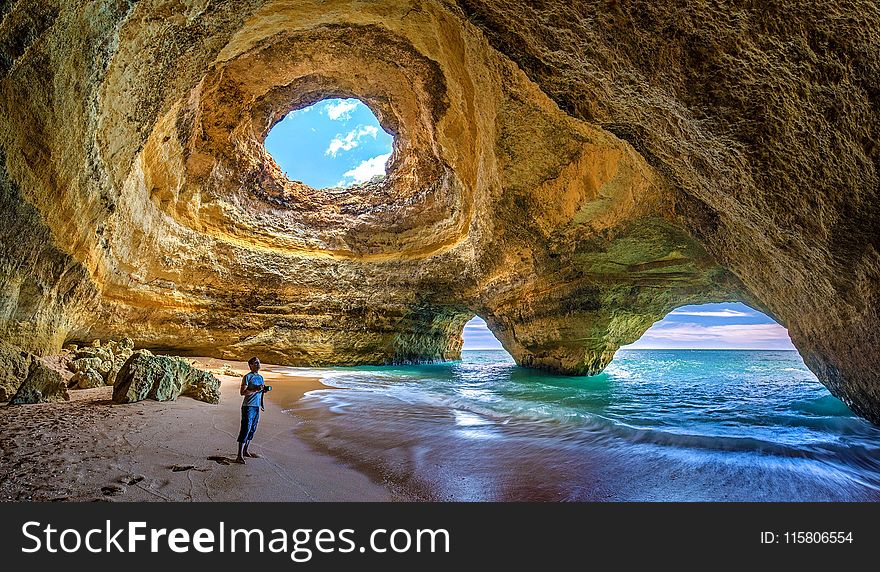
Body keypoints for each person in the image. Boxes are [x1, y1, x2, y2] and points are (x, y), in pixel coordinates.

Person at [236, 356, 266, 464]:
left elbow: (261, 392)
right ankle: (239, 455)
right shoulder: (247, 377)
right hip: (248, 406)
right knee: (246, 428)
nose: (258, 365)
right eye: (255, 363)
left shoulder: (261, 378)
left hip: (256, 406)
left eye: (258, 362)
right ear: (250, 365)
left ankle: (245, 450)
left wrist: (262, 403)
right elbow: (243, 392)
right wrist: (256, 389)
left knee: (253, 428)